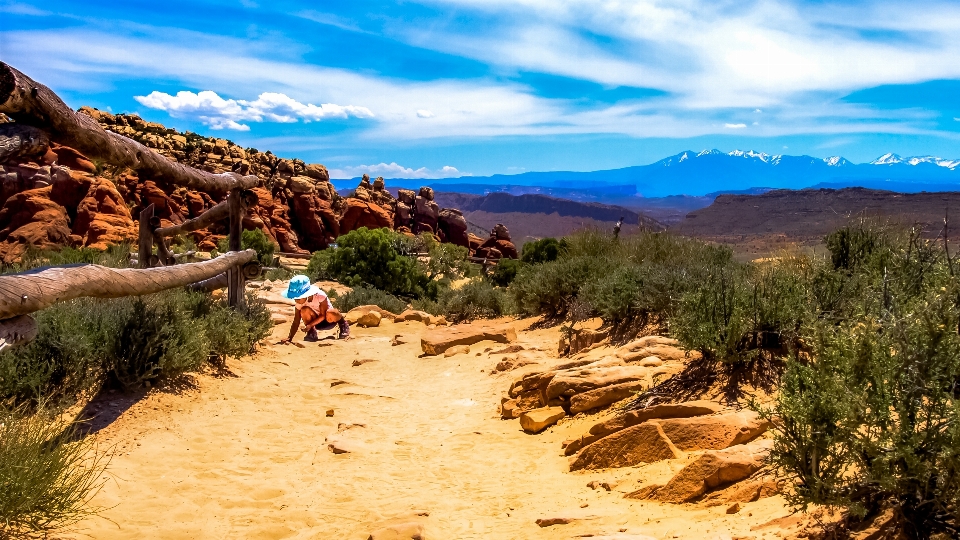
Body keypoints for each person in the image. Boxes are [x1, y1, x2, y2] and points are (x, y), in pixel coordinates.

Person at [280, 275, 350, 342]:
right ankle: (311, 333)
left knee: (331, 311)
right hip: (315, 324)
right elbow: (296, 320)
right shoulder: (300, 303)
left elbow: (323, 315)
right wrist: (290, 337)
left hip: (329, 321)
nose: (296, 301)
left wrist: (310, 325)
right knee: (304, 310)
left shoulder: (320, 295)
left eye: (298, 298)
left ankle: (343, 324)